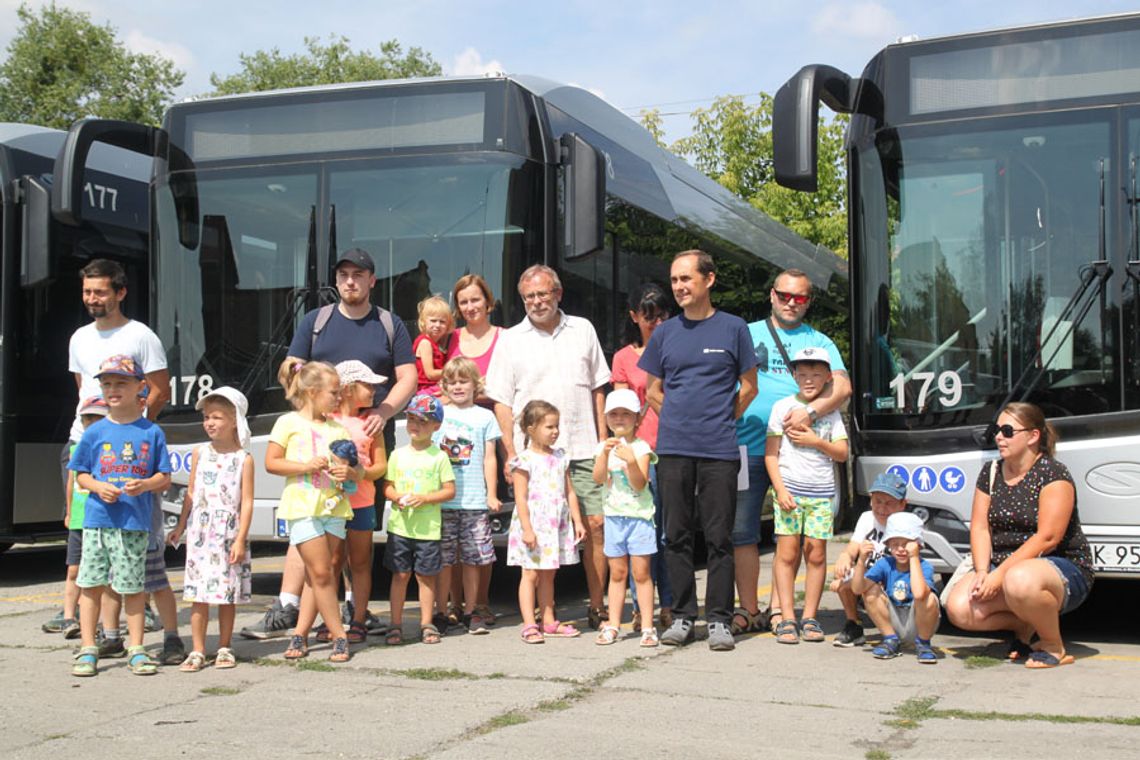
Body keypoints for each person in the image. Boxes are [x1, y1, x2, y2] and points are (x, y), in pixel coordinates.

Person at [243, 247, 415, 641]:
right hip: (314, 443)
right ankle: (288, 606)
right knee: (309, 523)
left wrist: (384, 412)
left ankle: (354, 612)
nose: (350, 281)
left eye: (358, 274)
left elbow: (407, 375)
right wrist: (306, 408)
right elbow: (291, 368)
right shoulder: (315, 321)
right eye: (343, 275)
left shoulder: (389, 323)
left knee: (355, 531)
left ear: (372, 280)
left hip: (366, 435)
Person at [60, 258, 183, 665]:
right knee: (85, 555)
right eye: (86, 292)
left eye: (99, 292)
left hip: (132, 460)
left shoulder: (140, 335)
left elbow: (160, 390)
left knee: (139, 562)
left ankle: (135, 639)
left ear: (120, 292)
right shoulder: (79, 337)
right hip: (87, 445)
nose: (92, 299)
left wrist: (134, 432)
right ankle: (96, 636)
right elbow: (85, 392)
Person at [639, 250, 758, 651]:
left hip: (720, 450)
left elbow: (749, 387)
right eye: (674, 280)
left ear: (709, 280)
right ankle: (685, 616)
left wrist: (724, 419)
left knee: (719, 536)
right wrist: (673, 418)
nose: (678, 287)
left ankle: (720, 619)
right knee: (675, 535)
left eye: (686, 279)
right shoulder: (665, 333)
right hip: (672, 449)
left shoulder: (734, 328)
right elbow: (653, 390)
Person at [485, 264, 610, 629]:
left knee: (595, 526)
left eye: (542, 294)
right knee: (536, 532)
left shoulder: (583, 329)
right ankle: (542, 609)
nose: (536, 302)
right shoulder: (510, 339)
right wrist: (511, 451)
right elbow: (502, 402)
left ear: (558, 293)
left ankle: (598, 604)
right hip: (535, 457)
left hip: (584, 446)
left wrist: (602, 441)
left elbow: (598, 387)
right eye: (529, 297)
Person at [733, 267, 850, 636]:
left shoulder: (820, 341)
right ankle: (749, 609)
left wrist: (810, 413)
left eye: (799, 297)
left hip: (802, 456)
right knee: (743, 531)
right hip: (748, 445)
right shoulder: (746, 333)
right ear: (772, 295)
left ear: (808, 302)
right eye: (784, 295)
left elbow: (842, 388)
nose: (790, 303)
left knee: (798, 543)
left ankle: (780, 610)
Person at [944, 402, 1094, 669]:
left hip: (1057, 568)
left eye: (1007, 430)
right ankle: (1025, 623)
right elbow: (980, 527)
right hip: (1005, 568)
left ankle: (1052, 644)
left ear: (1033, 436)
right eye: (996, 430)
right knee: (959, 609)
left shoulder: (1053, 473)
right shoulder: (990, 471)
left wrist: (1000, 575)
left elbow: (1048, 537)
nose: (998, 436)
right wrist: (981, 571)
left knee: (1019, 579)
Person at [69, 355, 172, 677]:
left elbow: (164, 477)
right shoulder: (95, 431)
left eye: (121, 383)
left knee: (133, 588)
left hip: (134, 524)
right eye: (107, 383)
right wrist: (99, 487)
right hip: (98, 522)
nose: (113, 389)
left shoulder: (151, 432)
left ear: (141, 387)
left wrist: (144, 485)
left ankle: (136, 648)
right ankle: (89, 647)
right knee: (91, 584)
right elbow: (81, 474)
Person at [267, 360, 358, 663]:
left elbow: (354, 467)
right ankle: (340, 635)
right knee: (321, 572)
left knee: (320, 574)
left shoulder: (337, 427)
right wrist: (305, 466)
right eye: (333, 392)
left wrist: (349, 474)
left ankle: (300, 634)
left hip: (333, 505)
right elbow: (272, 462)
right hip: (303, 505)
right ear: (312, 392)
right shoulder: (288, 423)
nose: (338, 398)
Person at [167, 387, 254, 672]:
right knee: (198, 593)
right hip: (200, 532)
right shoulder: (199, 453)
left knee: (227, 592)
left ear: (234, 421)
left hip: (228, 531)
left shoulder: (244, 459)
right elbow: (191, 492)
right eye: (206, 417)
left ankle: (225, 646)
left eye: (217, 417)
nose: (210, 423)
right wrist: (180, 526)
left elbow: (247, 501)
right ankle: (198, 649)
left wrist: (240, 538)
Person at [768, 347, 849, 645]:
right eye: (802, 373)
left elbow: (842, 453)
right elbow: (771, 455)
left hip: (821, 495)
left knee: (816, 554)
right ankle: (787, 617)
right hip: (790, 492)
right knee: (786, 554)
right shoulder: (782, 408)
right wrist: (780, 489)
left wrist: (816, 441)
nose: (809, 379)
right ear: (793, 375)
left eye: (816, 374)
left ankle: (810, 616)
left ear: (829, 377)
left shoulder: (831, 413)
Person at [611, 282, 674, 631]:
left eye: (662, 316)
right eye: (649, 317)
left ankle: (668, 604)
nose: (656, 324)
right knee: (640, 532)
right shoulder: (623, 357)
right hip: (637, 454)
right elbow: (621, 411)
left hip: (670, 448)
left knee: (665, 534)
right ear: (634, 317)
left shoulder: (676, 351)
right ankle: (640, 607)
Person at [446, 273, 504, 625]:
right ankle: (454, 605)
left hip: (491, 439)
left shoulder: (506, 339)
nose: (470, 307)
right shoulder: (449, 339)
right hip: (452, 452)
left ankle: (479, 604)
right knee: (449, 545)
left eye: (475, 300)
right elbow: (430, 377)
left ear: (488, 302)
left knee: (479, 544)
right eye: (463, 302)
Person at [508, 400, 586, 644]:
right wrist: (528, 529)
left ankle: (549, 620)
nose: (555, 431)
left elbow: (569, 491)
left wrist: (577, 521)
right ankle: (530, 622)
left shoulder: (561, 456)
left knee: (549, 575)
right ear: (531, 429)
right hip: (534, 524)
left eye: (556, 426)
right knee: (530, 574)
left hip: (556, 523)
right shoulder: (524, 460)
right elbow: (520, 498)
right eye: (549, 427)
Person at [322, 360, 389, 643]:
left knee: (360, 561)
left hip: (361, 502)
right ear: (348, 389)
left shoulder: (371, 424)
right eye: (368, 385)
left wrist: (360, 472)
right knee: (332, 561)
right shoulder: (325, 419)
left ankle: (359, 619)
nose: (374, 390)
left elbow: (381, 467)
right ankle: (330, 620)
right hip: (331, 503)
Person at [381, 394, 456, 646]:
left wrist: (424, 498)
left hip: (428, 530)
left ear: (436, 426)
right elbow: (387, 487)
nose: (415, 425)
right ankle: (395, 624)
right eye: (411, 419)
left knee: (426, 576)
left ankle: (426, 622)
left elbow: (449, 490)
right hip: (400, 527)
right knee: (399, 575)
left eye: (422, 421)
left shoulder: (440, 457)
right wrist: (397, 496)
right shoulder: (397, 455)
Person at [433, 357, 501, 635]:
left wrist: (492, 493)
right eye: (452, 382)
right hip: (444, 499)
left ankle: (473, 610)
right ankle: (449, 607)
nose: (458, 386)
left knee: (474, 559)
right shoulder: (439, 414)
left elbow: (489, 458)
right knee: (446, 559)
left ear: (476, 384)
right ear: (445, 386)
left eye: (464, 381)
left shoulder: (485, 416)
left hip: (474, 500)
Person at [591, 389, 659, 647]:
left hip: (639, 518)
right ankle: (613, 625)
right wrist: (604, 455)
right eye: (614, 414)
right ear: (607, 418)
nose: (619, 420)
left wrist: (630, 460)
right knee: (617, 573)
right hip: (614, 517)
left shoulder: (641, 448)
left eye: (626, 415)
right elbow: (598, 479)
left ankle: (648, 627)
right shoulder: (603, 446)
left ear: (637, 419)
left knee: (641, 573)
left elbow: (640, 484)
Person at [44, 396, 108, 640]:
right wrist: (69, 511)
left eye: (97, 418)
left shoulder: (112, 449)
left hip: (101, 520)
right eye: (87, 419)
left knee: (100, 574)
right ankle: (69, 617)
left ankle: (98, 621)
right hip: (81, 519)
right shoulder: (77, 449)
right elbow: (71, 482)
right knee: (74, 570)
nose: (91, 423)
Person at [830, 471, 909, 647]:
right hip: (868, 580)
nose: (882, 508)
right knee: (845, 573)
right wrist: (845, 557)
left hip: (894, 585)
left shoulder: (907, 525)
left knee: (867, 584)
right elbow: (853, 547)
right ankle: (854, 624)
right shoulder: (867, 518)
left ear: (903, 504)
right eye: (877, 501)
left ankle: (893, 635)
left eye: (889, 503)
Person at [851, 511, 940, 663]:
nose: (900, 549)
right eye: (895, 544)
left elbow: (919, 594)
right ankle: (890, 639)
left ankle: (924, 643)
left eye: (906, 544)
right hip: (894, 619)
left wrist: (914, 558)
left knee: (929, 598)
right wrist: (861, 561)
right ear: (888, 545)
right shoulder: (885, 564)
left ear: (917, 545)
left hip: (919, 623)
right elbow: (858, 589)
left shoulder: (924, 566)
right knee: (870, 591)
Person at [414, 295, 454, 397]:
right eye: (433, 320)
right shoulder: (425, 343)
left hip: (433, 388)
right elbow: (430, 374)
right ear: (423, 321)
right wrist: (454, 372)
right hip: (426, 391)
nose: (437, 325)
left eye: (442, 322)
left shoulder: (437, 343)